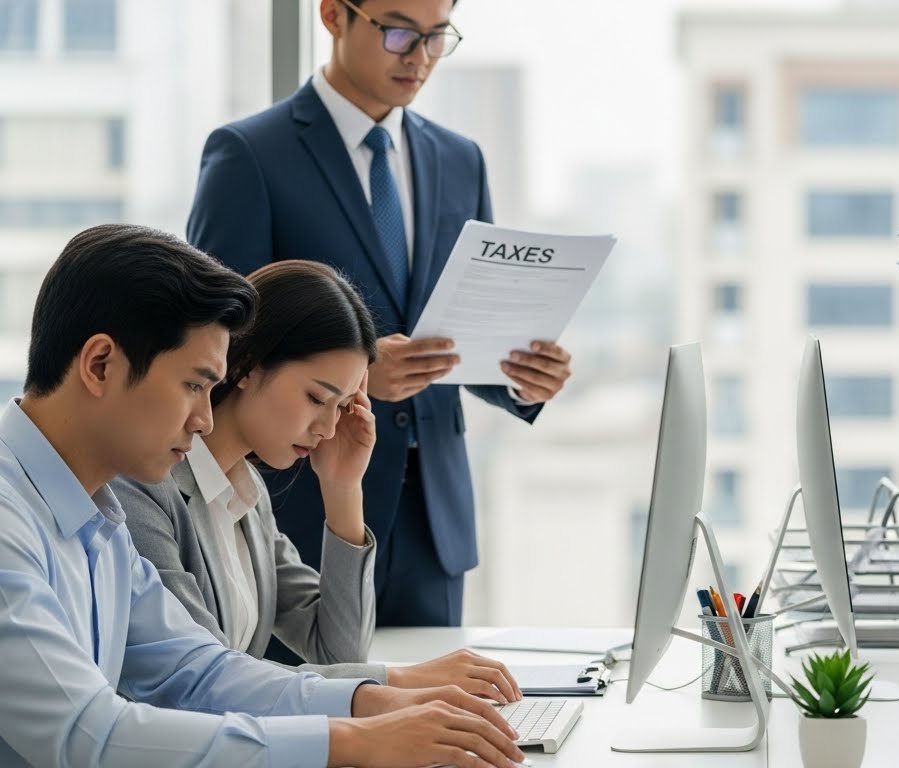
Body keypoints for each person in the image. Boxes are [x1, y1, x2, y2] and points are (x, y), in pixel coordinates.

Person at [0, 225, 527, 767]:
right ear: (100, 365)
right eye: (193, 385)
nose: (204, 417)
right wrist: (354, 739)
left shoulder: (98, 520)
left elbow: (200, 670)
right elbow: (88, 734)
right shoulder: (10, 520)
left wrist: (374, 701)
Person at [187, 0, 573, 629]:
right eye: (398, 31)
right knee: (306, 703)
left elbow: (463, 328)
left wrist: (518, 375)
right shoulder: (250, 153)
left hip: (433, 517)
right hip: (301, 503)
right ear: (334, 15)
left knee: (435, 707)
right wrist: (360, 373)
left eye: (436, 36)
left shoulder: (459, 159)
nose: (418, 55)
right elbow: (214, 336)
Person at [113, 260, 522, 700]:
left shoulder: (246, 496)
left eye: (344, 406)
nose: (328, 428)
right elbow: (202, 676)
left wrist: (343, 487)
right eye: (316, 398)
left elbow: (339, 649)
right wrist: (401, 680)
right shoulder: (148, 485)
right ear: (247, 363)